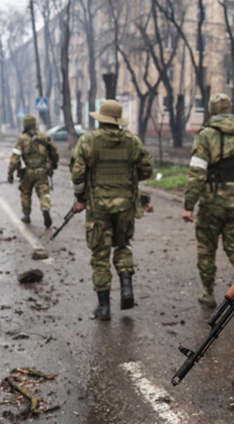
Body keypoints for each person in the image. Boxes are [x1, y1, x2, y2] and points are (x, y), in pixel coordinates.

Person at [183, 93, 234, 319]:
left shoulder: (205, 136)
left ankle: (207, 293)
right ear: (231, 110)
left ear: (211, 113)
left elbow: (197, 174)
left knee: (206, 248)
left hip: (211, 203)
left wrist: (189, 205)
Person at [70, 99, 153, 321]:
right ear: (118, 121)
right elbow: (147, 169)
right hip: (125, 205)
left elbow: (77, 174)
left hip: (99, 207)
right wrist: (129, 177)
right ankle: (127, 288)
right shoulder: (132, 142)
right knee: (123, 246)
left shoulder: (88, 141)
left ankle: (104, 307)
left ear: (101, 119)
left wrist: (80, 198)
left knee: (100, 254)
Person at [8, 115, 59, 227]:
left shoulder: (22, 139)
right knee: (44, 192)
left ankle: (26, 215)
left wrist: (10, 173)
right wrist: (53, 165)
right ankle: (45, 207)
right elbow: (55, 152)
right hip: (42, 171)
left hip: (28, 172)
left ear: (25, 125)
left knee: (25, 193)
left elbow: (15, 158)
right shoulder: (45, 137)